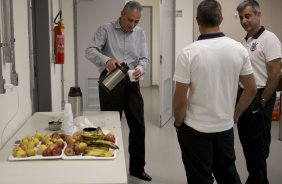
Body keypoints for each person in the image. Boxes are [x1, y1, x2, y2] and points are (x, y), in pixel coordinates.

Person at [173, 0, 257, 183]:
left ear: (197, 20)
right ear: (221, 18)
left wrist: (179, 123)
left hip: (195, 129)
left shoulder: (188, 53)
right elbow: (251, 88)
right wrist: (235, 114)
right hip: (224, 127)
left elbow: (180, 99)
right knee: (227, 175)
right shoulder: (238, 49)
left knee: (199, 179)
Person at [85, 1, 151, 181]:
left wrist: (141, 69)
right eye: (130, 20)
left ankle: (137, 169)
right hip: (110, 82)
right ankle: (106, 168)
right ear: (121, 13)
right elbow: (90, 51)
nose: (132, 25)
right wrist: (106, 60)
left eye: (136, 22)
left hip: (131, 83)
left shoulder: (140, 33)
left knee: (138, 127)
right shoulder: (105, 29)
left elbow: (144, 59)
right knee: (109, 127)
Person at [236, 1, 282, 183]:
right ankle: (256, 178)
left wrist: (262, 102)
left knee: (258, 148)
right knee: (247, 144)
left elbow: (275, 74)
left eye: (247, 16)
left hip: (259, 96)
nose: (244, 21)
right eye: (241, 17)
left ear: (258, 15)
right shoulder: (246, 40)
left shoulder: (269, 39)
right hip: (245, 95)